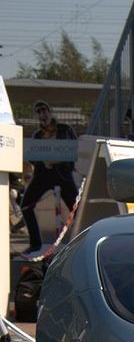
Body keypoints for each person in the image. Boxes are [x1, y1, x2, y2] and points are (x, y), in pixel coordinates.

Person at [18, 101, 78, 259]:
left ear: (49, 112)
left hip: (62, 174)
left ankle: (80, 240)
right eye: (38, 111)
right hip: (43, 175)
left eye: (44, 110)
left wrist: (59, 159)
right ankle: (35, 243)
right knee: (25, 206)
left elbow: (73, 149)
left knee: (77, 208)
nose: (42, 114)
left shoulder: (65, 130)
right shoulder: (37, 136)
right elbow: (31, 157)